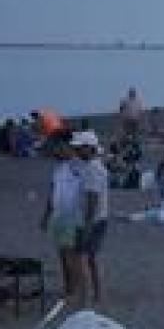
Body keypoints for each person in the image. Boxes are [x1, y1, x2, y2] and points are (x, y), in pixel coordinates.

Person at [39, 129, 86, 306]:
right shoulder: (59, 167)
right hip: (59, 217)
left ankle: (76, 291)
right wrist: (46, 216)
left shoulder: (78, 164)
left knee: (72, 256)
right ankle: (68, 288)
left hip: (72, 217)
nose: (53, 151)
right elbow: (53, 194)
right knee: (62, 256)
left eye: (55, 146)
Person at [73, 131, 109, 306]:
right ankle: (97, 294)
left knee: (82, 258)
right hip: (98, 218)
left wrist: (86, 225)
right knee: (92, 258)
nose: (78, 151)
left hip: (92, 220)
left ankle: (86, 297)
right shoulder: (93, 166)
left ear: (89, 147)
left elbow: (92, 199)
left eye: (80, 148)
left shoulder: (93, 169)